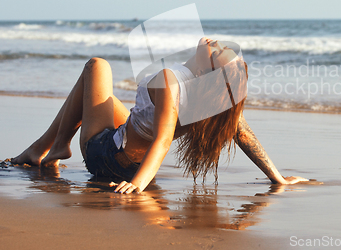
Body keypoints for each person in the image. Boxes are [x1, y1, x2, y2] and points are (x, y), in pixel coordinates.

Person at [11, 37, 308, 194]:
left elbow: (164, 138)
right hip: (129, 156)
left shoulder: (171, 80)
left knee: (96, 66)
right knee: (106, 97)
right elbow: (241, 133)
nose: (215, 43)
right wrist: (277, 178)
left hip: (106, 156)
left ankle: (59, 142)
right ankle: (42, 148)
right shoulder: (205, 99)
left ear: (206, 72)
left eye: (217, 52)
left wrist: (139, 183)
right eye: (222, 46)